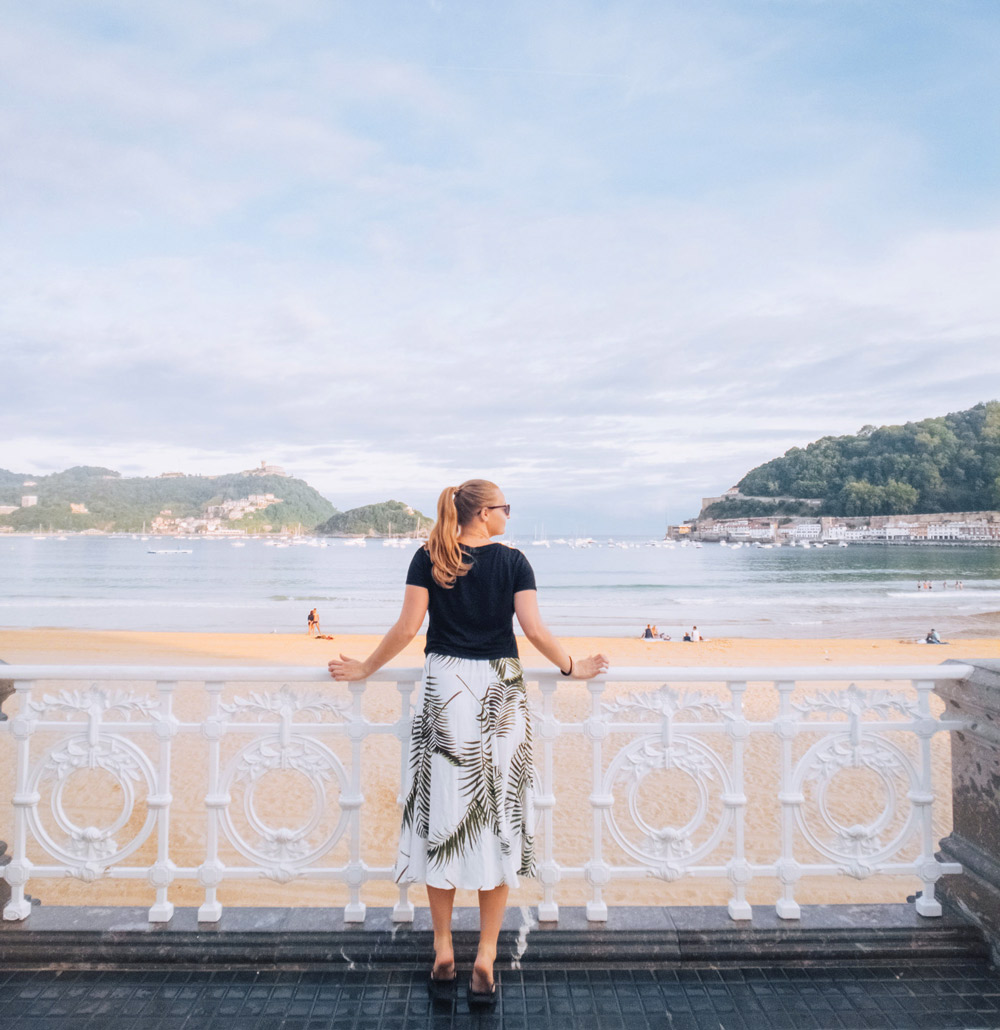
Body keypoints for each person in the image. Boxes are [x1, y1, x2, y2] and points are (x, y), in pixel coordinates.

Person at [328, 480, 608, 1007]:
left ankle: (441, 951)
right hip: (500, 692)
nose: (509, 516)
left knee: (442, 817)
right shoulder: (515, 562)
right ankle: (484, 957)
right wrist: (575, 667)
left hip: (446, 689)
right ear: (482, 513)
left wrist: (366, 666)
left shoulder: (428, 556)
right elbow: (533, 629)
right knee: (498, 817)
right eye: (505, 508)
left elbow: (409, 627)